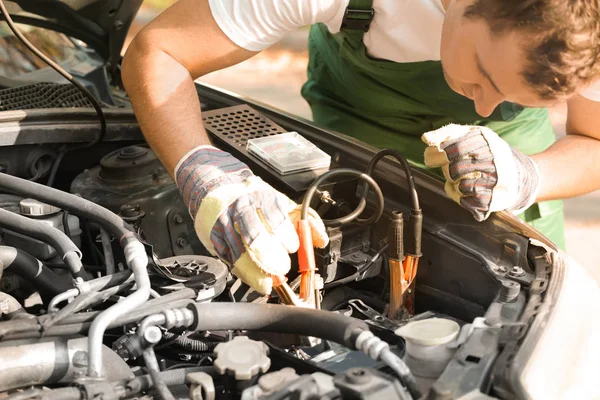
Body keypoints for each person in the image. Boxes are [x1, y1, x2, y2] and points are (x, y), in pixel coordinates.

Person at [121, 0, 600, 294]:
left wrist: (529, 175)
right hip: (357, 167)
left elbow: (593, 140)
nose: (484, 106)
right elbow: (159, 52)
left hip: (511, 182)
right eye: (484, 72)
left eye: (513, 96)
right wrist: (205, 174)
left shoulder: (588, 27)